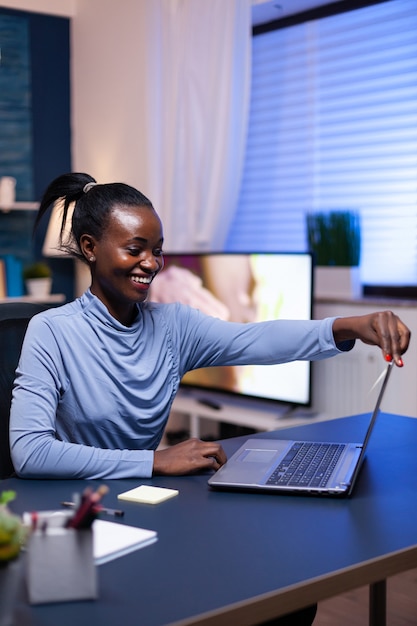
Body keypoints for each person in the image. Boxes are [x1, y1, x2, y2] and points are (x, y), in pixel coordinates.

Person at [10, 173, 410, 482]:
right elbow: (29, 452)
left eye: (157, 250)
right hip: (72, 505)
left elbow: (257, 338)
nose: (151, 263)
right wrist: (156, 460)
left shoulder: (174, 326)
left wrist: (353, 325)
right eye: (135, 249)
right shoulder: (51, 331)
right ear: (90, 247)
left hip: (144, 498)